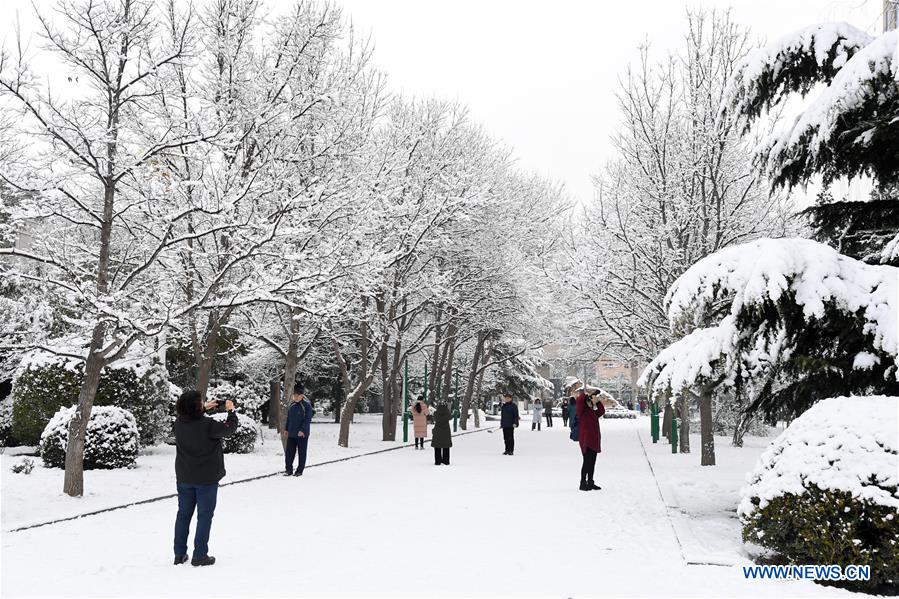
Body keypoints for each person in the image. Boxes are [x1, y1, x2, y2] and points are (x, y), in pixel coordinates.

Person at [173, 389, 238, 567]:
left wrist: (203, 408)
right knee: (204, 516)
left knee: (183, 515)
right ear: (196, 407)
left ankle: (179, 554)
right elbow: (229, 429)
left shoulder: (178, 424)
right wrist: (231, 411)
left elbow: (190, 418)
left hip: (185, 477)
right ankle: (200, 555)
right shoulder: (208, 425)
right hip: (206, 480)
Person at [282, 386, 313, 476]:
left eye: (297, 395)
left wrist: (302, 430)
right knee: (289, 453)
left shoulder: (306, 406)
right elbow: (289, 419)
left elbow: (307, 420)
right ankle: (288, 470)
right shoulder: (291, 405)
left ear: (302, 396)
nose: (295, 397)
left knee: (302, 453)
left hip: (302, 434)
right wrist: (286, 429)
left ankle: (299, 470)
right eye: (294, 395)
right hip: (291, 433)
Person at [576, 391, 605, 491]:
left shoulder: (592, 412)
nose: (590, 403)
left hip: (594, 441)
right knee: (586, 462)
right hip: (586, 441)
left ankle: (590, 482)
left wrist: (597, 401)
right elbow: (580, 401)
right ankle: (583, 483)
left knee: (592, 463)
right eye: (588, 402)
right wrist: (587, 395)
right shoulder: (582, 411)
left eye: (590, 402)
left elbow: (601, 411)